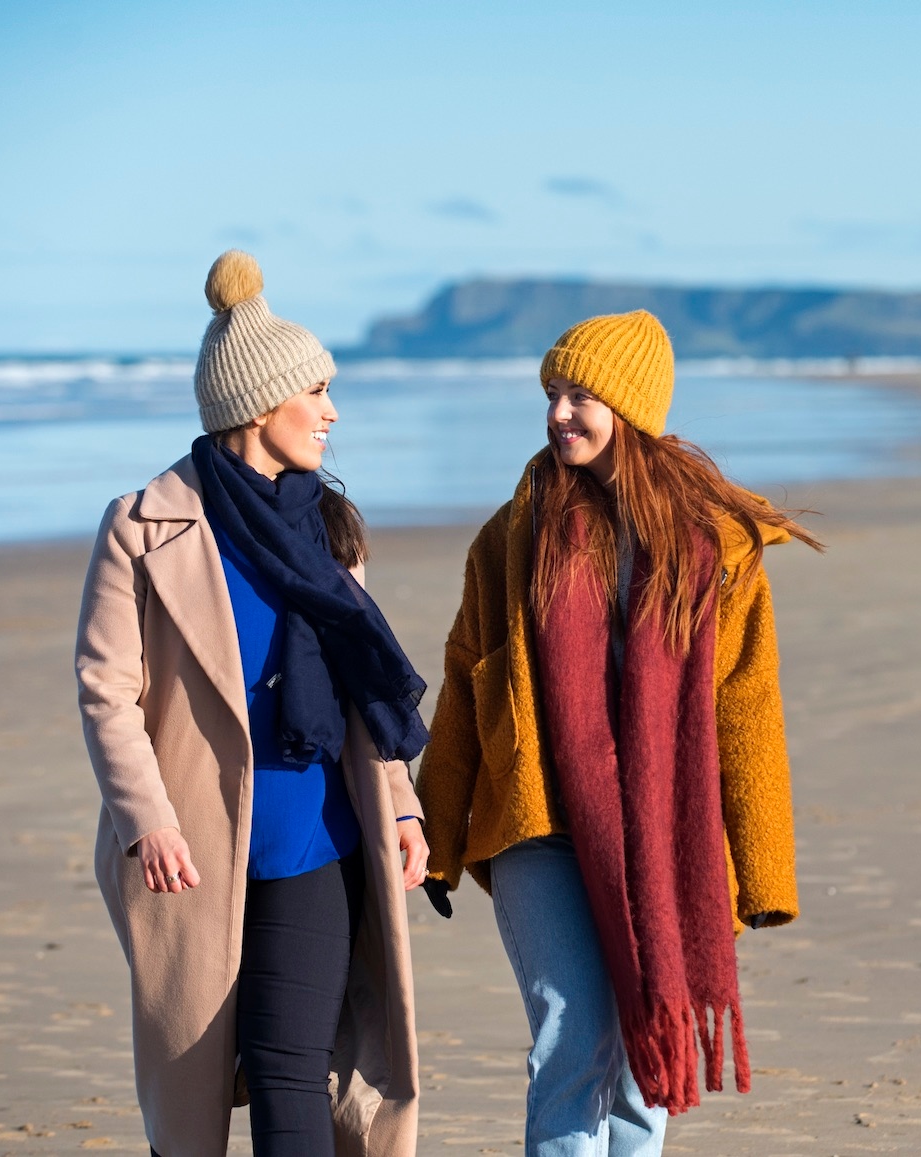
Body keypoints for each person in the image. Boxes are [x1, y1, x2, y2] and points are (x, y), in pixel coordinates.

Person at [416, 310, 819, 1156]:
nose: (559, 412)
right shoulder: (513, 537)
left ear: (630, 408)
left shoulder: (714, 545)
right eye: (553, 394)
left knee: (641, 1069)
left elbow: (745, 708)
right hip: (538, 826)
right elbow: (467, 679)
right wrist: (436, 827)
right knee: (574, 1035)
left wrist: (762, 867)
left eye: (580, 395)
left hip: (662, 833)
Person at [76, 251, 432, 1157]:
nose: (331, 412)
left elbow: (363, 688)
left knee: (288, 1073)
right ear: (260, 404)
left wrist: (399, 803)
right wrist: (143, 819)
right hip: (190, 849)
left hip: (315, 838)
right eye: (316, 391)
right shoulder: (141, 525)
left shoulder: (329, 530)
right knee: (191, 1103)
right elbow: (107, 690)